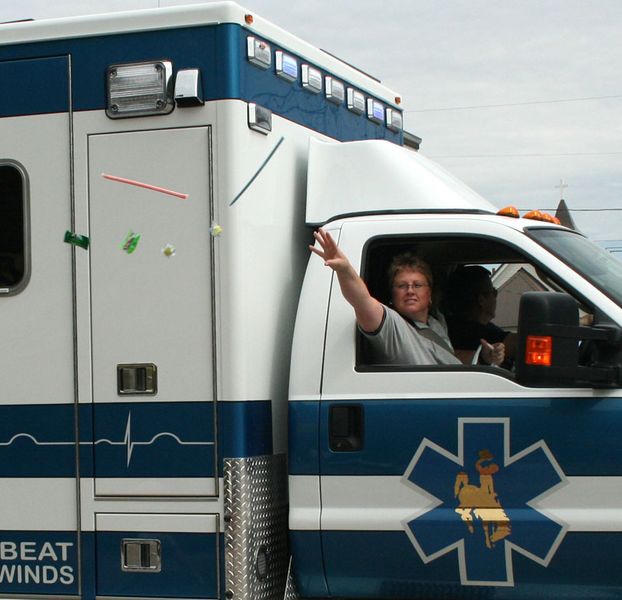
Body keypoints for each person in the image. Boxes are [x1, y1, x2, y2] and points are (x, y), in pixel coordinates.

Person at [310, 229, 505, 367]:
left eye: (417, 285)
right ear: (392, 296)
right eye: (402, 286)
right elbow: (362, 301)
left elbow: (446, 359)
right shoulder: (392, 327)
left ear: (430, 294)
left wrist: (485, 358)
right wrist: (345, 270)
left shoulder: (437, 323)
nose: (410, 290)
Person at [446, 265, 516, 366]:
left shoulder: (482, 326)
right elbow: (518, 345)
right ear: (481, 300)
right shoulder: (469, 332)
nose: (496, 297)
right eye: (494, 292)